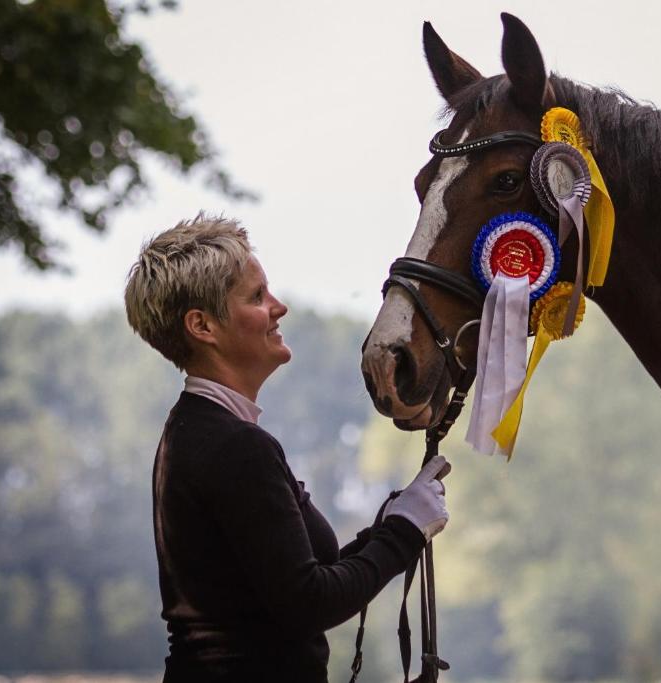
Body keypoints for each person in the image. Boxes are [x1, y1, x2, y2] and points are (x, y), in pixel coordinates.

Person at [123, 214, 449, 682]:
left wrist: (394, 522)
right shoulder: (235, 446)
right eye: (256, 297)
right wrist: (404, 534)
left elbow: (303, 573)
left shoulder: (195, 430)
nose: (279, 307)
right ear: (203, 326)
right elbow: (309, 601)